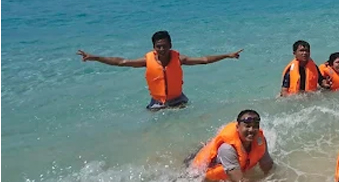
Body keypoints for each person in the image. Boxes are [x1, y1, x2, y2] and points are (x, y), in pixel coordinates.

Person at [77, 30, 243, 110]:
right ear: (154, 47)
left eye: (165, 46)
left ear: (171, 45)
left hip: (179, 100)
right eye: (158, 47)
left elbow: (204, 60)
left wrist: (227, 55)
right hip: (157, 103)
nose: (162, 49)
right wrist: (95, 57)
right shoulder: (147, 60)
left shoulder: (179, 59)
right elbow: (121, 62)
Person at [189, 109, 273, 182]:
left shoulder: (259, 140)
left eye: (255, 127)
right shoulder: (227, 148)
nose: (251, 130)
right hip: (200, 172)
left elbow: (267, 164)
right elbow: (239, 181)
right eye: (247, 126)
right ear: (237, 127)